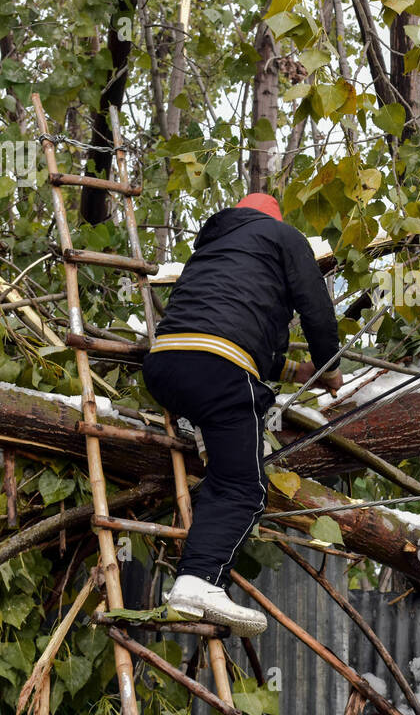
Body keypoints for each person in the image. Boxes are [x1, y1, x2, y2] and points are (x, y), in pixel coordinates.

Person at [141, 192, 342, 636]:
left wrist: (297, 370)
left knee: (224, 446)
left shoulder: (209, 250)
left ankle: (205, 437)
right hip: (219, 369)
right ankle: (198, 582)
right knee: (244, 487)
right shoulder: (286, 238)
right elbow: (317, 311)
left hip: (165, 366)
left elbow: (236, 327)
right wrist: (330, 367)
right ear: (274, 219)